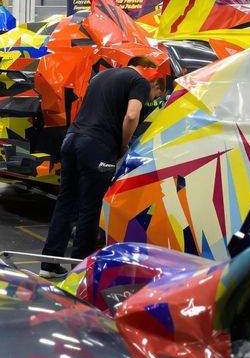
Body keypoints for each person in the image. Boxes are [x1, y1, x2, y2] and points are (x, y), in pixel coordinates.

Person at [39, 56, 165, 278]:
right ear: (154, 81)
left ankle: (49, 264)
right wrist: (124, 145)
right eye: (154, 97)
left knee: (66, 202)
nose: (150, 100)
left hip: (71, 139)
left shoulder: (100, 76)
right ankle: (79, 271)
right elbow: (132, 114)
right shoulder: (140, 81)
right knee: (90, 207)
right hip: (97, 145)